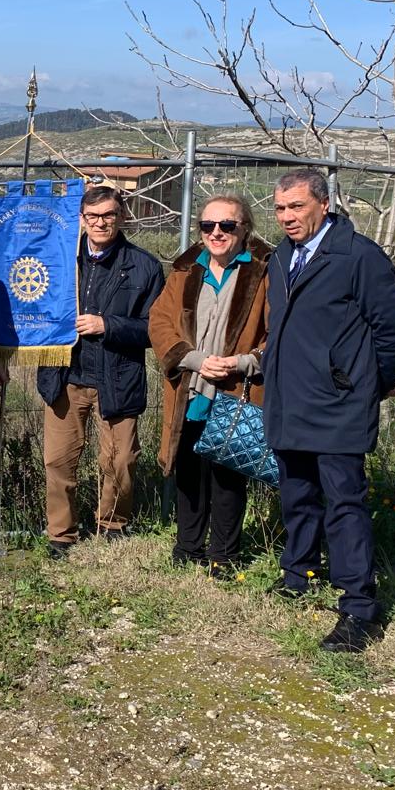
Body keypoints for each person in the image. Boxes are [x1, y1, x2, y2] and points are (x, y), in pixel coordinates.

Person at [264, 168, 395, 653]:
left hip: (339, 406)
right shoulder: (282, 256)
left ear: (323, 205)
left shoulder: (359, 257)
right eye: (281, 208)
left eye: (297, 207)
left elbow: (392, 333)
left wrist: (366, 387)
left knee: (345, 505)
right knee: (297, 493)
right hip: (290, 402)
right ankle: (298, 573)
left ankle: (359, 609)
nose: (287, 217)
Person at [0, 185, 162, 557]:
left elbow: (156, 328)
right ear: (81, 220)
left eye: (108, 215)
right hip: (63, 377)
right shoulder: (58, 260)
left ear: (122, 217)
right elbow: (27, 309)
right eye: (93, 216)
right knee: (58, 459)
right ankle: (61, 534)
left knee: (120, 460)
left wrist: (109, 325)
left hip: (117, 377)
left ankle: (113, 525)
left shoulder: (145, 266)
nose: (101, 222)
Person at [148, 193, 271, 575]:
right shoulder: (185, 272)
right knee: (188, 471)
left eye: (227, 225)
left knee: (228, 477)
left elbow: (280, 332)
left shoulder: (265, 273)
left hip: (238, 390)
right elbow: (160, 324)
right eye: (208, 226)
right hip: (190, 388)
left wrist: (245, 362)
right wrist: (197, 360)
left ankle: (224, 556)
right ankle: (188, 547)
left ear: (244, 229)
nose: (216, 233)